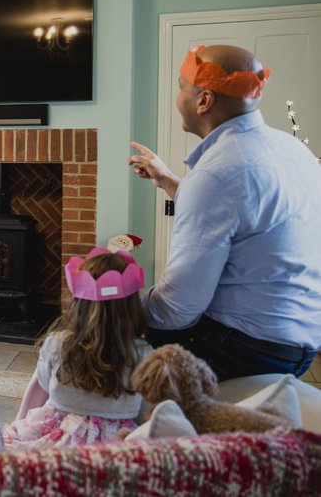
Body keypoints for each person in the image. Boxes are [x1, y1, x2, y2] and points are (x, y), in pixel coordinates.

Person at [129, 45, 321, 380]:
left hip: (247, 348)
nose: (177, 98)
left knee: (112, 349)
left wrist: (118, 307)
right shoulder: (291, 148)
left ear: (203, 100)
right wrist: (170, 181)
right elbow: (246, 215)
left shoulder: (216, 175)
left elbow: (177, 309)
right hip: (300, 340)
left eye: (180, 87)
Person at [4, 249, 151, 448]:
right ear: (131, 304)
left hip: (58, 438)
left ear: (79, 303)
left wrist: (17, 424)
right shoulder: (143, 353)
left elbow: (40, 388)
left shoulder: (58, 343)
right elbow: (147, 411)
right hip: (116, 442)